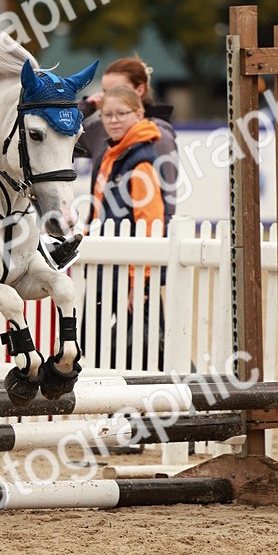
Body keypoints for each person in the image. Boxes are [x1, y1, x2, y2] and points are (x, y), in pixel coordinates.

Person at [87, 85, 166, 370]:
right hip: (107, 270)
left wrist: (140, 282)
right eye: (107, 114)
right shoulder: (112, 154)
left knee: (136, 353)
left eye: (122, 113)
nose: (114, 120)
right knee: (95, 347)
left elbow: (150, 225)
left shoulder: (141, 161)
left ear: (139, 113)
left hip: (128, 277)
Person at [76, 56, 179, 221]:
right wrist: (85, 107)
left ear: (139, 90)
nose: (106, 97)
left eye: (117, 89)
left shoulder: (158, 135)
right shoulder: (102, 127)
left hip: (138, 237)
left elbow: (166, 195)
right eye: (104, 91)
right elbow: (57, 135)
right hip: (101, 234)